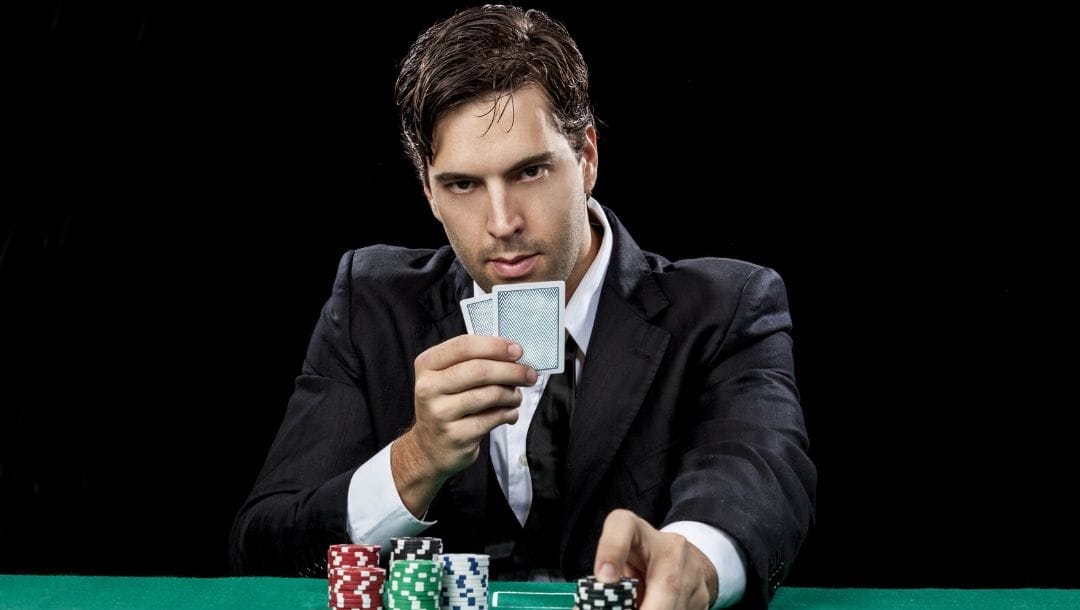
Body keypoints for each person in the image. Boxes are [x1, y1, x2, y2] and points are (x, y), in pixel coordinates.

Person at [229, 5, 815, 609]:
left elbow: (760, 475)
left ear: (586, 157)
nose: (502, 223)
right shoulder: (370, 305)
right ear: (428, 190)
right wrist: (414, 462)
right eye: (463, 185)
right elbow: (263, 547)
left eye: (530, 171)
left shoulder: (727, 308)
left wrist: (694, 559)